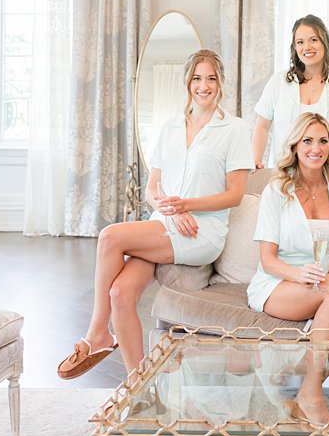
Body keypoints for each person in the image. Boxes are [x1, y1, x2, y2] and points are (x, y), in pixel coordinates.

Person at [57, 49, 252, 380]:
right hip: (166, 223)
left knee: (109, 237)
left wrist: (185, 206)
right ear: (187, 82)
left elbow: (234, 195)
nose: (203, 86)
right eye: (197, 78)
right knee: (120, 294)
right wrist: (170, 209)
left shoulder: (233, 129)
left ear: (221, 83)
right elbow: (153, 188)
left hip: (201, 234)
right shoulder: (171, 127)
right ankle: (138, 388)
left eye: (211, 78)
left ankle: (97, 334)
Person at [247, 113, 329, 427]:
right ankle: (311, 392)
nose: (317, 148)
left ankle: (306, 384)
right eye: (308, 141)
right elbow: (267, 260)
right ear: (295, 145)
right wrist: (303, 277)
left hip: (322, 285)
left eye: (323, 141)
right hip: (278, 282)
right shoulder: (277, 190)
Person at [251, 14, 329, 168]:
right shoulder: (278, 82)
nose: (307, 47)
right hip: (283, 171)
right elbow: (262, 125)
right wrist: (256, 160)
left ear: (325, 43)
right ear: (295, 48)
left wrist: (324, 138)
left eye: (314, 40)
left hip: (327, 172)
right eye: (300, 42)